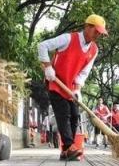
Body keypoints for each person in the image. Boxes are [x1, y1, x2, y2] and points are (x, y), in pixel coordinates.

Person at [38, 14, 108, 161]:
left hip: (70, 87)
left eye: (100, 33)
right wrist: (48, 66)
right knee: (64, 115)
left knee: (75, 116)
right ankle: (70, 147)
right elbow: (42, 46)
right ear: (87, 27)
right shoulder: (68, 38)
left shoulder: (94, 50)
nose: (98, 35)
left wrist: (77, 89)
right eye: (96, 31)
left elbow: (84, 71)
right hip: (55, 83)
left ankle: (65, 152)